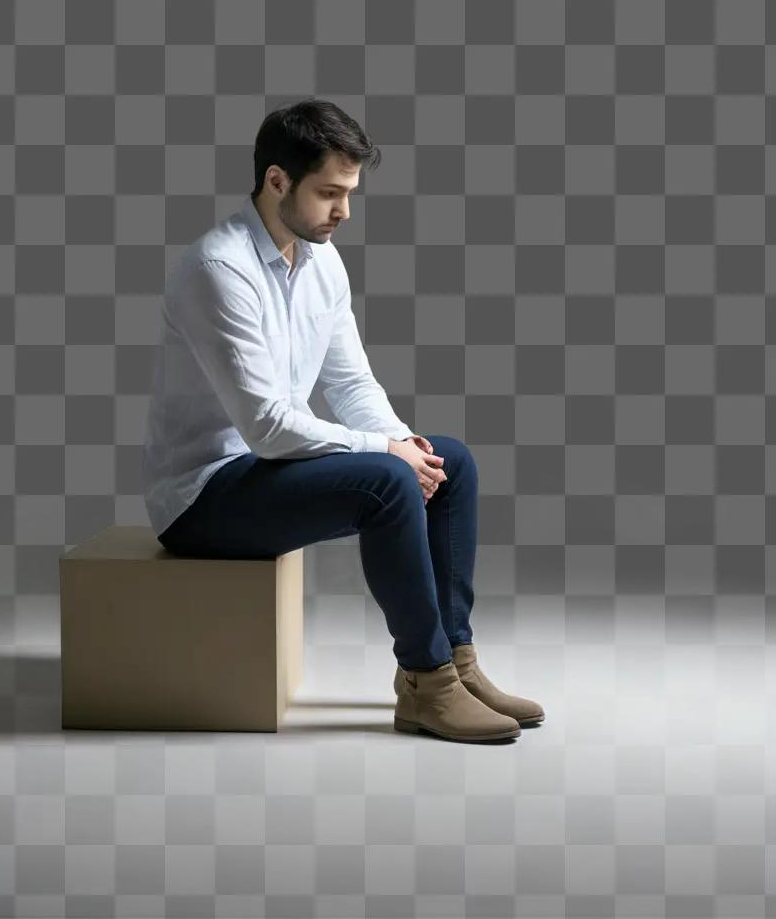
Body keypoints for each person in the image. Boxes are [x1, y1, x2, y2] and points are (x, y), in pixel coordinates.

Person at [141, 97, 543, 743]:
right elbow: (267, 426)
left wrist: (404, 440)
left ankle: (459, 661)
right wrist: (386, 452)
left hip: (266, 468)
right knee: (385, 481)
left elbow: (350, 382)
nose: (344, 211)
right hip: (203, 496)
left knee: (451, 461)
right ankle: (425, 682)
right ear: (277, 181)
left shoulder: (320, 260)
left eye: (350, 191)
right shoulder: (218, 270)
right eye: (329, 192)